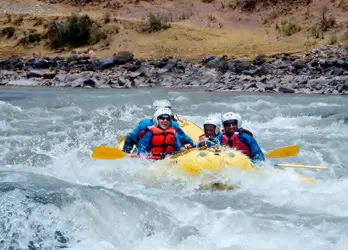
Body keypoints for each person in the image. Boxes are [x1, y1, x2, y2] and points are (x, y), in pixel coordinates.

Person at [122, 99, 195, 153]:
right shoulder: (145, 125)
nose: (165, 120)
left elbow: (185, 139)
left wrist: (191, 146)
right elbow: (131, 138)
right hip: (150, 155)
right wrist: (126, 151)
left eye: (167, 117)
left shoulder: (174, 125)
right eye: (162, 117)